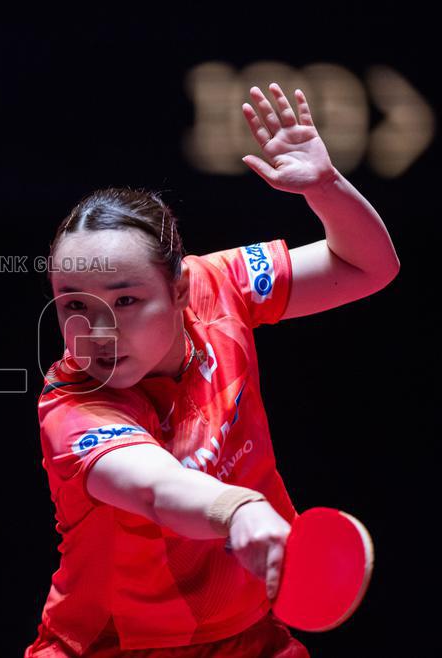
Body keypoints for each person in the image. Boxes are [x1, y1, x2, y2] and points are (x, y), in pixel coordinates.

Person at [24, 83, 400, 657]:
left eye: (126, 300)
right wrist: (240, 507)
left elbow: (366, 267)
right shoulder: (73, 403)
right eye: (75, 303)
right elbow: (155, 488)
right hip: (110, 648)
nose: (99, 329)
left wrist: (326, 187)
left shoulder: (218, 284)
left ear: (178, 289)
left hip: (247, 639)